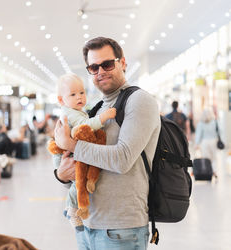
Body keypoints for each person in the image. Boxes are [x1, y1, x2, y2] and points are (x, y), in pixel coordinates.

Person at [54, 37, 161, 250]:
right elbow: (76, 163)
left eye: (107, 64)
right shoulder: (97, 108)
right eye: (94, 67)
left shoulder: (139, 101)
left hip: (121, 230)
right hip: (88, 225)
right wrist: (61, 174)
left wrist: (73, 145)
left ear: (123, 63)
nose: (100, 71)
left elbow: (122, 160)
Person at [51, 72, 116, 231]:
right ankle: (72, 209)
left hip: (69, 151)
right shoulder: (70, 113)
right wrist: (103, 117)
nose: (79, 97)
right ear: (61, 100)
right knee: (78, 180)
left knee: (79, 180)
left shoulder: (75, 110)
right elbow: (85, 125)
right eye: (73, 94)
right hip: (65, 154)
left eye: (82, 92)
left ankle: (70, 208)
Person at [194, 108, 219, 178]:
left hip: (204, 142)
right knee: (214, 158)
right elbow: (219, 131)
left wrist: (196, 143)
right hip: (214, 141)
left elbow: (198, 134)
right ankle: (215, 171)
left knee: (207, 158)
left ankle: (208, 172)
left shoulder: (201, 123)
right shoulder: (215, 122)